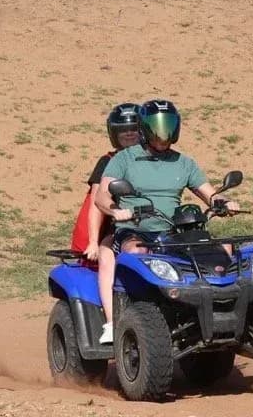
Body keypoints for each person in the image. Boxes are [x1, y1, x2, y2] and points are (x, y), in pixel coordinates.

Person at [93, 99, 239, 343]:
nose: (164, 132)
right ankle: (118, 322)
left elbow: (209, 193)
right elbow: (101, 196)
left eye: (169, 125)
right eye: (158, 126)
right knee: (135, 250)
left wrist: (223, 202)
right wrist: (116, 211)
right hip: (135, 230)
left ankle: (217, 309)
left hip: (173, 233)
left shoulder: (184, 162)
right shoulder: (125, 159)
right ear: (145, 128)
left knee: (223, 249)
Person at [67, 103, 141, 343]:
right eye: (124, 130)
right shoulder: (108, 161)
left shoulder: (153, 159)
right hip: (117, 226)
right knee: (108, 251)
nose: (129, 133)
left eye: (135, 128)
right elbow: (95, 203)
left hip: (152, 226)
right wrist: (91, 241)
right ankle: (111, 323)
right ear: (114, 133)